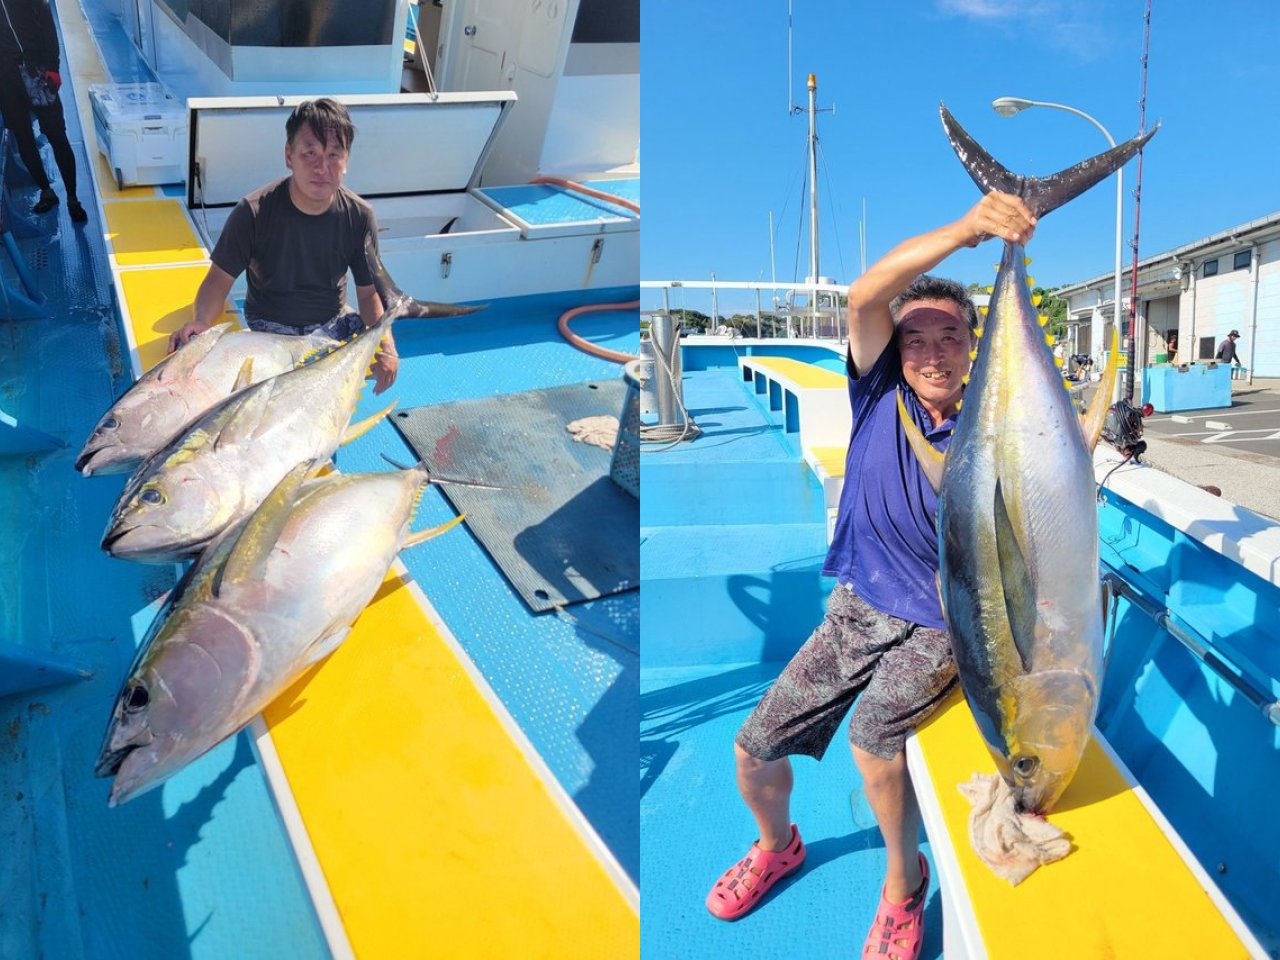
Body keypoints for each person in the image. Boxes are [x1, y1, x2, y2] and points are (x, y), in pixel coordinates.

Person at [704, 190, 1037, 959]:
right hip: (856, 607)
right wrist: (967, 230)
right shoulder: (878, 390)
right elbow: (863, 295)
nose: (928, 352)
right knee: (753, 749)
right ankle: (776, 845)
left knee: (872, 738)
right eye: (913, 336)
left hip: (943, 625)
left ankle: (902, 885)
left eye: (948, 337)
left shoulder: (995, 425)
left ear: (974, 347)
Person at [168, 97, 398, 394]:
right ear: (289, 155)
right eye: (310, 153)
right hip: (268, 329)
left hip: (329, 324)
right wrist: (200, 321)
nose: (322, 167)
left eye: (333, 155)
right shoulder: (253, 211)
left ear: (346, 161)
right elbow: (217, 282)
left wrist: (385, 344)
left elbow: (368, 296)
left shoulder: (360, 216)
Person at [0, 0, 87, 222]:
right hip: (6, 81)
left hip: (37, 72)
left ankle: (72, 197)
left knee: (56, 134)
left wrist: (53, 67)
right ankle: (46, 191)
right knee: (23, 137)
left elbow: (47, 24)